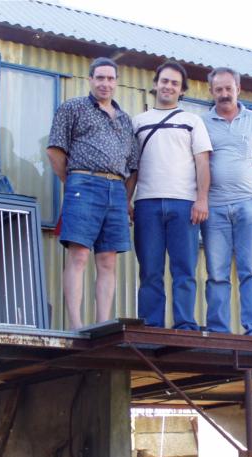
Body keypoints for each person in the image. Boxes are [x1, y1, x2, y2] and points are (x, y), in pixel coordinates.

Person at [47, 57, 138, 329]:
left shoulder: (125, 120)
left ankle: (102, 325)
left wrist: (126, 198)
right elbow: (54, 150)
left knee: (108, 260)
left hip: (117, 189)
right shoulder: (73, 107)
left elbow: (133, 166)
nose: (105, 83)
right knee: (79, 255)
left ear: (116, 82)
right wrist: (73, 181)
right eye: (100, 78)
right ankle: (76, 325)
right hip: (83, 183)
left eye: (110, 78)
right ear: (90, 79)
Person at [127, 61, 211, 330]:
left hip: (184, 203)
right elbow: (132, 166)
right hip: (146, 203)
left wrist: (202, 199)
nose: (168, 86)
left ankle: (184, 324)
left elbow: (202, 163)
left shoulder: (192, 121)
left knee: (184, 269)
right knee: (149, 270)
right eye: (164, 81)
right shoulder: (138, 122)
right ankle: (152, 325)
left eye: (175, 83)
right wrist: (126, 200)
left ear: (182, 90)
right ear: (155, 84)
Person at [201, 67, 252, 336]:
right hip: (214, 208)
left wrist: (248, 190)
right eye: (218, 89)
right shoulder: (202, 123)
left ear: (238, 89)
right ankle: (218, 331)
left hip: (248, 205)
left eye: (228, 89)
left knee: (251, 269)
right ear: (211, 91)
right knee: (217, 272)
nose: (224, 94)